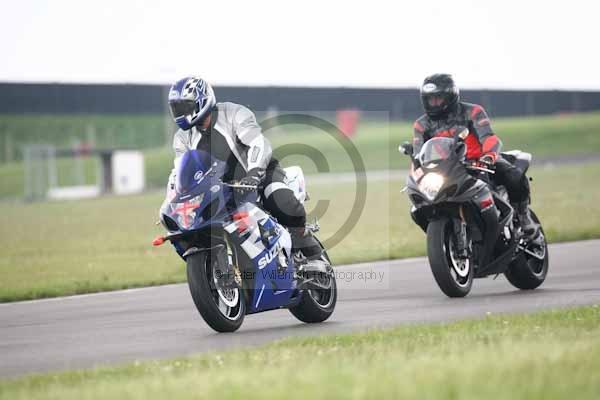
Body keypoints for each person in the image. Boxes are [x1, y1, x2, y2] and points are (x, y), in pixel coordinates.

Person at [164, 76, 325, 263]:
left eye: (184, 106)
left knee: (281, 201)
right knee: (193, 228)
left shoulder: (233, 113)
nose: (180, 113)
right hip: (221, 190)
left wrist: (254, 174)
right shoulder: (181, 138)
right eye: (176, 108)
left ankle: (313, 254)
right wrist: (174, 199)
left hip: (260, 174)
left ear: (202, 100)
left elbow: (258, 143)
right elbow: (181, 171)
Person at [412, 73, 539, 239]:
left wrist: (489, 157)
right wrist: (417, 174)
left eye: (438, 98)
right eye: (430, 99)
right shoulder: (421, 125)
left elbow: (489, 138)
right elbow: (418, 154)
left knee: (513, 175)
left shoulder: (472, 111)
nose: (434, 103)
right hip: (448, 167)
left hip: (480, 161)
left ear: (450, 96)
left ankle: (523, 215)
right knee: (422, 203)